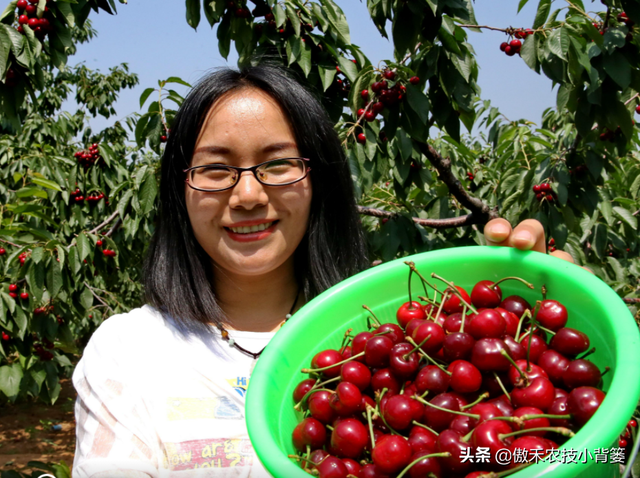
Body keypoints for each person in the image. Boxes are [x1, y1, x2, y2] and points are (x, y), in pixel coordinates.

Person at [72, 65, 577, 478]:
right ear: (178, 192)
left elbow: (589, 455)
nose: (248, 196)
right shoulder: (130, 352)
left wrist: (547, 334)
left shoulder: (385, 332)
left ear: (320, 182)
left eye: (278, 164)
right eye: (215, 169)